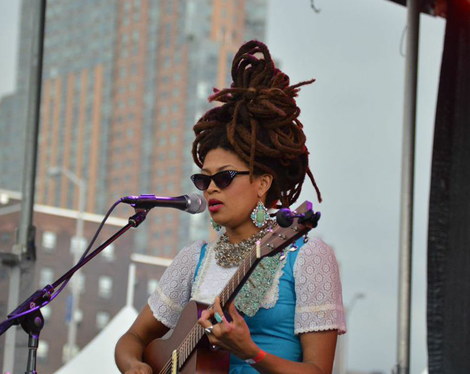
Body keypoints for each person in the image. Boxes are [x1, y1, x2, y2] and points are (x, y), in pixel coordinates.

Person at [115, 40, 346, 374]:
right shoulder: (194, 259)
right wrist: (133, 365)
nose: (210, 188)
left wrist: (252, 353)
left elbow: (319, 371)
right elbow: (134, 337)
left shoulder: (307, 258)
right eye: (202, 179)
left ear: (262, 184)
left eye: (223, 178)